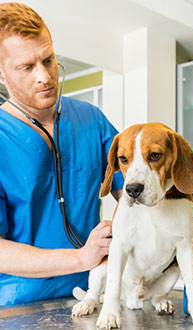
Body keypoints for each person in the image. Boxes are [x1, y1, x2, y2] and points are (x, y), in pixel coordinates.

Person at [0, 2, 124, 306]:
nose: (44, 76)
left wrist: (117, 241)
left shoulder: (91, 120)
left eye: (49, 59)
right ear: (1, 75)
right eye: (27, 67)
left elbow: (136, 189)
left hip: (95, 294)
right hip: (22, 304)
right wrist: (82, 257)